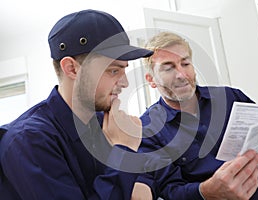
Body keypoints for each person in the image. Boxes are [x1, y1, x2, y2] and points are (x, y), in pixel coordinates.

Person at [0, 9, 153, 200]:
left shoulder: (104, 122)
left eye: (123, 70)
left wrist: (143, 184)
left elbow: (148, 175)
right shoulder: (27, 141)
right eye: (113, 71)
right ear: (72, 69)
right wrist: (124, 151)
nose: (125, 83)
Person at [131, 31, 258, 200]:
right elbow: (168, 192)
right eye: (168, 68)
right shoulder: (146, 131)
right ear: (151, 80)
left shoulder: (231, 98)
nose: (182, 75)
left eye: (185, 64)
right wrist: (205, 193)